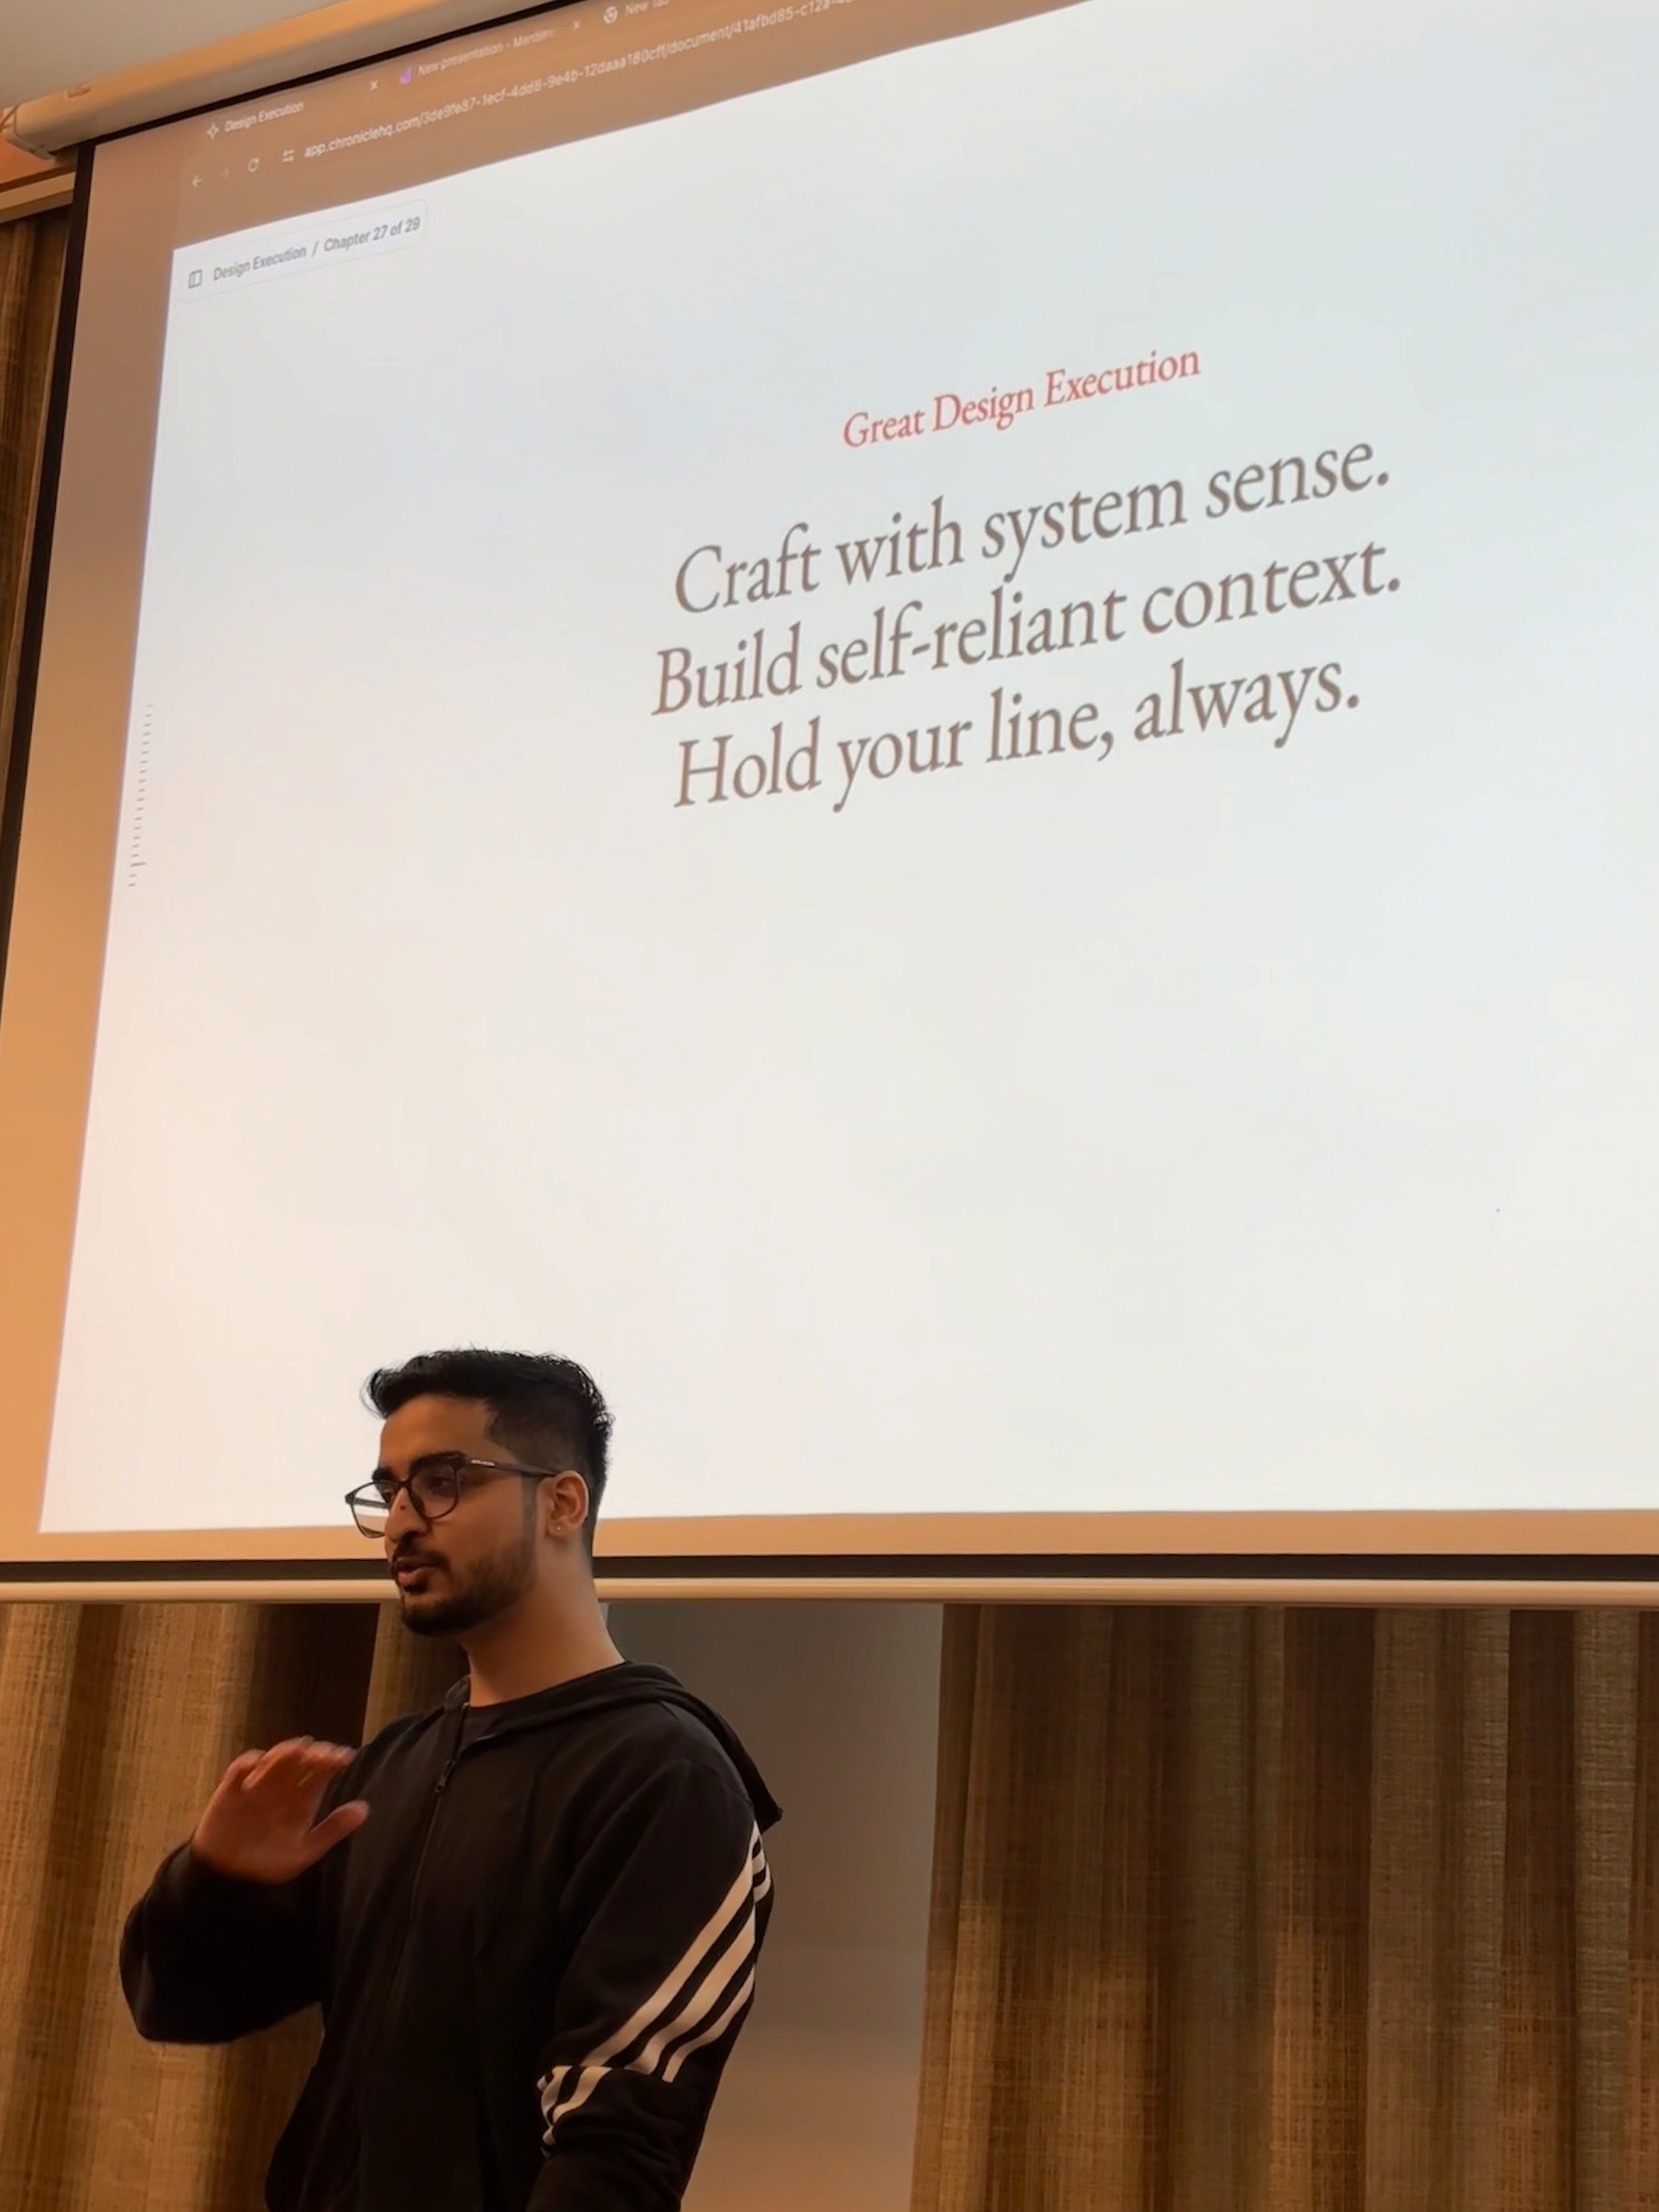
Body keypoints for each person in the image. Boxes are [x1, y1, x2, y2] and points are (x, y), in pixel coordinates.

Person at [120, 1348, 779, 2212]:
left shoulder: (668, 1778)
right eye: (389, 1491)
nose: (399, 1523)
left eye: (440, 1482)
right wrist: (215, 1880)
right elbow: (180, 2006)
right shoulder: (390, 1767)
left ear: (562, 1501)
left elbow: (617, 2146)